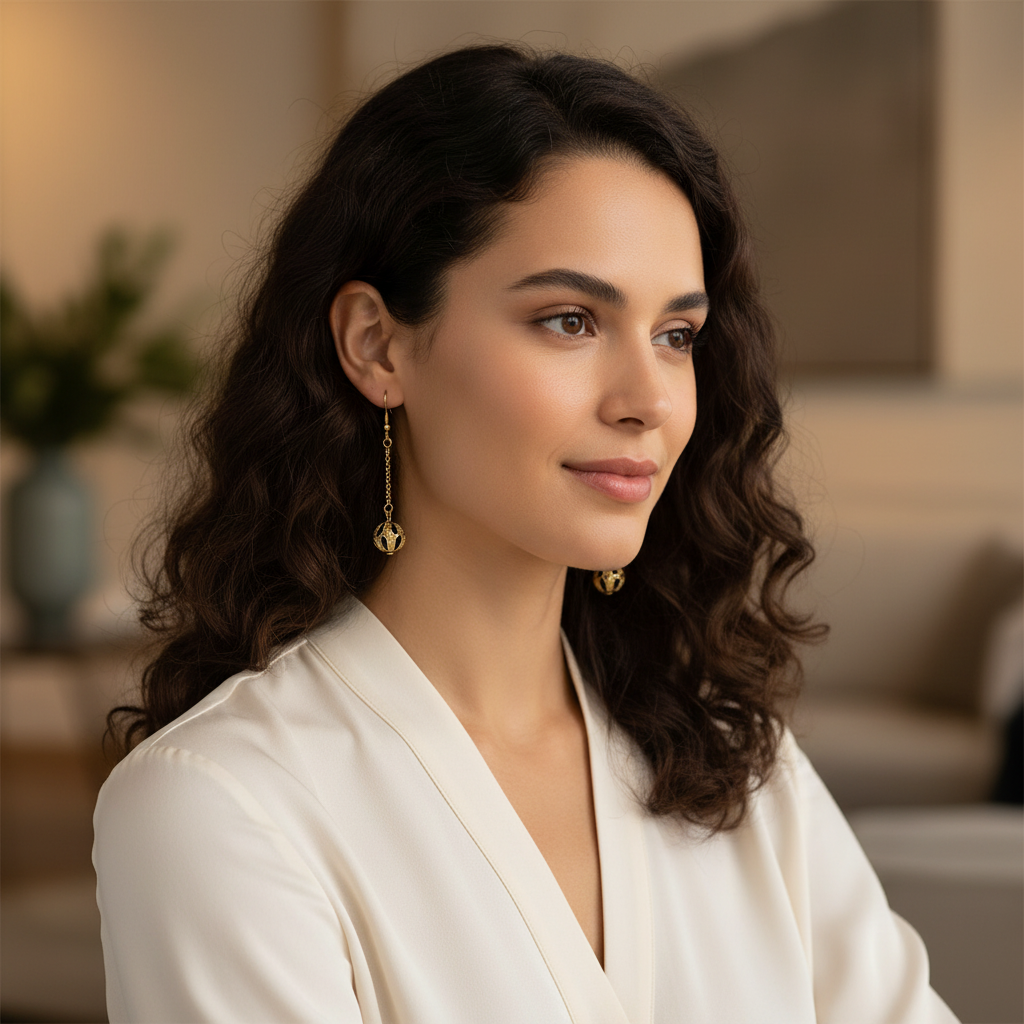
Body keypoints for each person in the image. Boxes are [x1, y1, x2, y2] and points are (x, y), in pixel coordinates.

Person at [94, 44, 958, 1023]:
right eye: (568, 320)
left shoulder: (734, 763)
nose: (647, 401)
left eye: (675, 335)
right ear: (377, 345)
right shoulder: (220, 807)